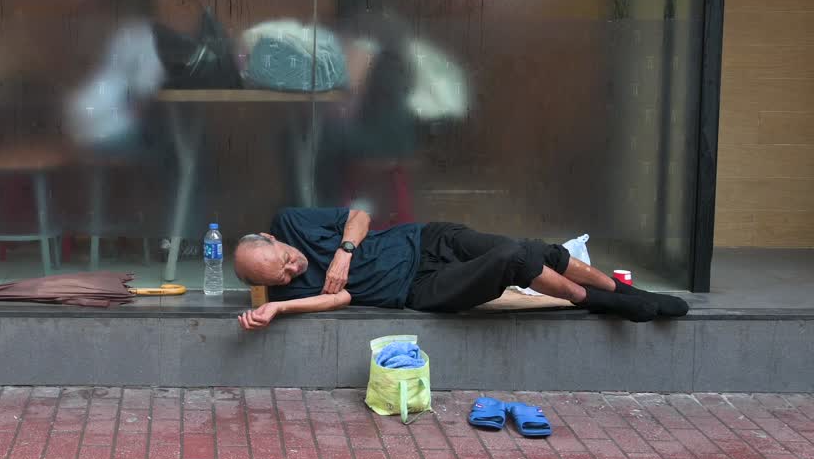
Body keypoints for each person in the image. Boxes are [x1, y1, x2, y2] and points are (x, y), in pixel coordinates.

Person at [234, 207, 689, 330]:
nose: (294, 270)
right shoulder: (282, 291)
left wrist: (344, 251)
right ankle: (601, 301)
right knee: (513, 258)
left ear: (272, 239)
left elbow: (361, 215)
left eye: (287, 260)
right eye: (285, 278)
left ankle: (624, 295)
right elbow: (343, 297)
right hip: (422, 288)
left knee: (536, 250)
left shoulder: (291, 221)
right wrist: (280, 310)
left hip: (426, 238)